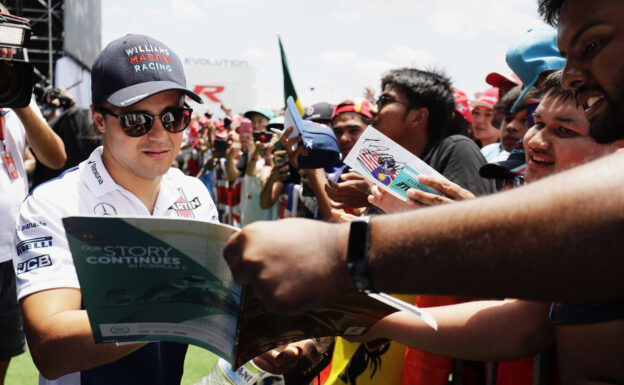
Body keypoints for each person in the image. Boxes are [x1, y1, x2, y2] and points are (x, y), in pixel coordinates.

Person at [223, 0, 624, 314]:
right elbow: (525, 314)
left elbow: (512, 258)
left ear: (420, 116)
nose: (572, 74)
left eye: (592, 45)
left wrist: (341, 251)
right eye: (534, 119)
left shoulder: (458, 151)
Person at [12, 34, 313, 385]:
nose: (159, 135)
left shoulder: (193, 193)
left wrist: (266, 336)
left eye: (173, 117)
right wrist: (184, 300)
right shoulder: (53, 203)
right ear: (98, 119)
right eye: (136, 121)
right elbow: (50, 348)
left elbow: (223, 308)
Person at [351, 71, 624, 385]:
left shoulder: (603, 227)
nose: (535, 140)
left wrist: (474, 235)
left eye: (564, 129)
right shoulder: (557, 219)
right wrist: (380, 323)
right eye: (538, 124)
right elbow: (522, 316)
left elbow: (522, 328)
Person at [0, 9, 67, 382]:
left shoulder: (15, 95)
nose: (5, 49)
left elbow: (54, 157)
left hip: (10, 254)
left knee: (4, 351)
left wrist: (21, 101)